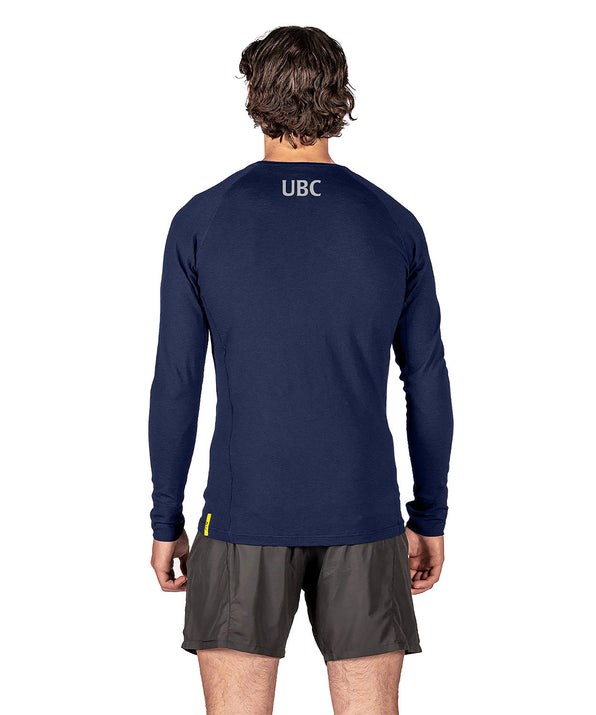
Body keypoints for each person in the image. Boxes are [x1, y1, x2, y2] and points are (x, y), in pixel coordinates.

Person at [148, 25, 453, 715]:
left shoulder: (202, 220)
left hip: (240, 518)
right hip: (365, 517)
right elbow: (427, 379)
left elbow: (177, 381)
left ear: (252, 96)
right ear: (341, 98)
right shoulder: (393, 223)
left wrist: (166, 518)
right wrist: (429, 514)